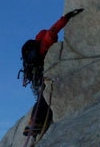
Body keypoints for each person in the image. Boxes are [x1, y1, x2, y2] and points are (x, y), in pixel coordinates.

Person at [19, 8, 83, 137]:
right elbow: (52, 31)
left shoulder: (31, 52)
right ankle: (35, 122)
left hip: (36, 79)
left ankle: (34, 122)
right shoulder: (43, 45)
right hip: (43, 76)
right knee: (46, 97)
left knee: (43, 97)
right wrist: (65, 19)